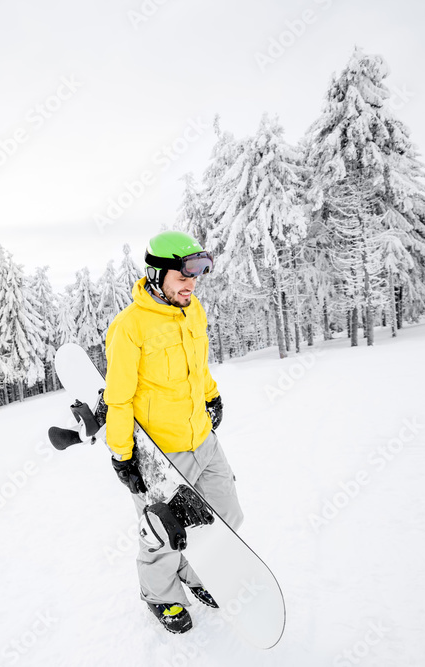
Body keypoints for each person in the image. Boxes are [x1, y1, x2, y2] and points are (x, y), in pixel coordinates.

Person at [102, 230, 244, 634]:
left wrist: (212, 397)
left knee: (226, 513)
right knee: (162, 531)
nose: (191, 284)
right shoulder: (130, 326)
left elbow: (197, 370)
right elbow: (119, 397)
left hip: (203, 438)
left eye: (196, 276)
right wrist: (122, 453)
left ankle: (199, 572)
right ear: (157, 273)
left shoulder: (192, 310)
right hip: (161, 453)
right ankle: (160, 594)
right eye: (184, 276)